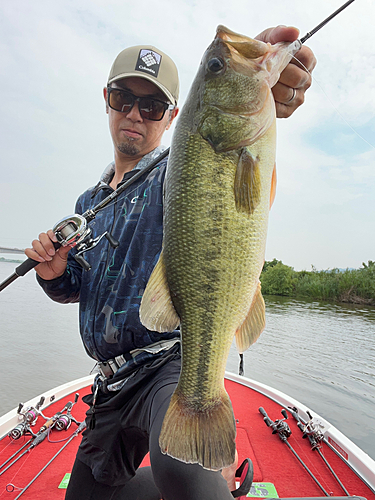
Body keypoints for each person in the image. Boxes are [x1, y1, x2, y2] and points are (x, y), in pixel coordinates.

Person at [26, 26, 316, 500]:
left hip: (171, 363)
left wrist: (269, 86)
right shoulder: (87, 203)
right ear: (107, 100)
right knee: (86, 495)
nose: (135, 114)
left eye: (153, 106)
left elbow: (227, 178)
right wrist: (55, 274)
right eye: (124, 98)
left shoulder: (177, 168)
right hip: (111, 382)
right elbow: (85, 287)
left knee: (184, 470)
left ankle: (208, 477)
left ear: (173, 116)